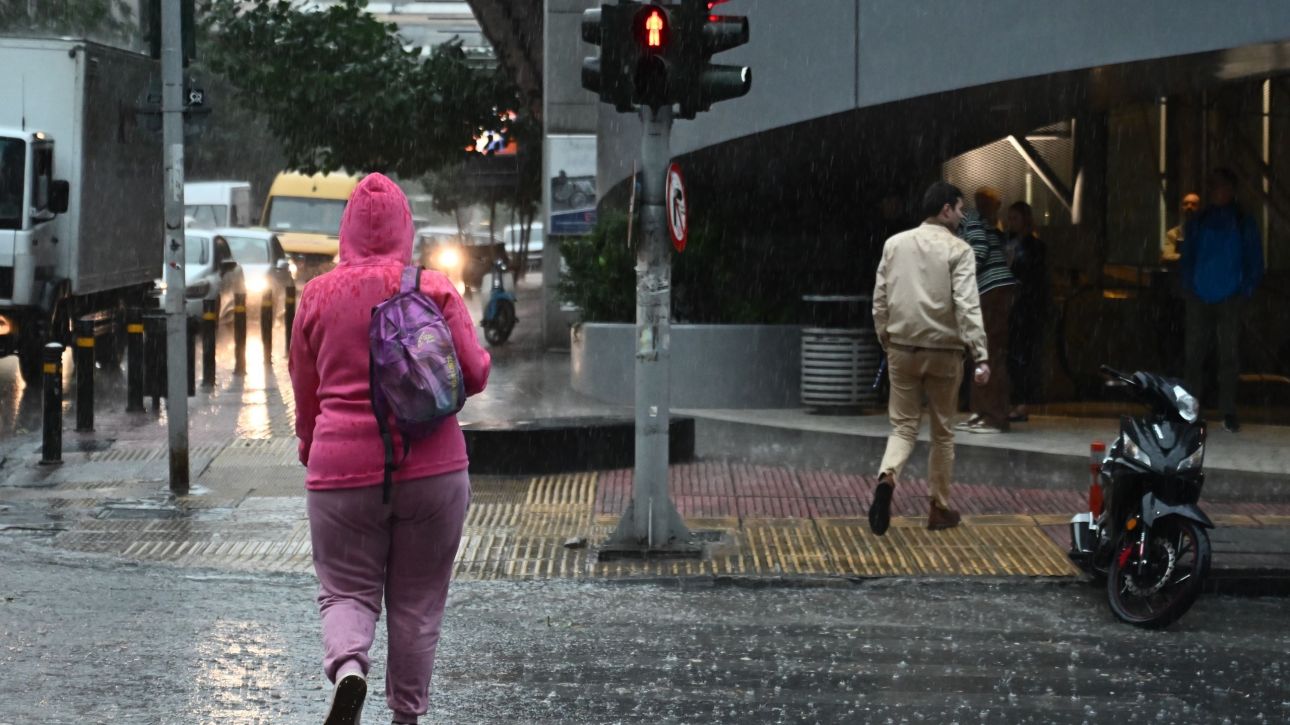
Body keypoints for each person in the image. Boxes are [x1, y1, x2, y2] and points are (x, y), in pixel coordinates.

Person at [290, 173, 491, 725]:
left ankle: (350, 669)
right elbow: (473, 375)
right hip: (433, 470)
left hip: (341, 475)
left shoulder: (316, 295)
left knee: (345, 593)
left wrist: (313, 448)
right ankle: (405, 716)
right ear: (407, 227)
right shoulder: (433, 286)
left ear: (345, 230)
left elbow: (306, 396)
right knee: (417, 603)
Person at [869, 181, 990, 535]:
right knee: (943, 433)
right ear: (946, 210)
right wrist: (980, 354)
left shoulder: (894, 244)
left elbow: (880, 297)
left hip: (902, 348)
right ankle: (938, 508)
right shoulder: (959, 250)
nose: (963, 215)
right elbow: (967, 304)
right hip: (944, 353)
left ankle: (887, 478)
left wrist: (886, 337)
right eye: (960, 208)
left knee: (903, 426)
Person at [1180, 168, 1263, 433]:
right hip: (1202, 294)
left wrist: (1244, 289)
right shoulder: (1202, 220)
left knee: (1227, 355)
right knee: (1195, 354)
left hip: (1228, 295)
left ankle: (1227, 410)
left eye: (1222, 186)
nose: (1218, 191)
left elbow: (1254, 259)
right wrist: (1190, 286)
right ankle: (1191, 410)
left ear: (1231, 190)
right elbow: (1189, 256)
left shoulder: (1241, 221)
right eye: (1215, 186)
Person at [956, 187, 1017, 433]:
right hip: (993, 289)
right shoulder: (981, 221)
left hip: (991, 291)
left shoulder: (969, 218)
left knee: (988, 351)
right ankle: (981, 411)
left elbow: (979, 250)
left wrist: (962, 277)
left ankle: (994, 416)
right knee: (981, 351)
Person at [1005, 201, 1049, 422]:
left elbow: (1036, 280)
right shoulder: (1008, 243)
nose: (1011, 222)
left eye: (1015, 218)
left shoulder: (1035, 247)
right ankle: (1015, 400)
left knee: (1024, 356)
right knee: (1012, 356)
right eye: (1009, 218)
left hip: (1026, 307)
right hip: (1012, 307)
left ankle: (1023, 402)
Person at [1162, 192, 1201, 264]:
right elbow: (1167, 255)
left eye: (1194, 204)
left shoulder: (1207, 232)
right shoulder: (1174, 233)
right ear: (1181, 208)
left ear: (1200, 208)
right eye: (1185, 204)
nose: (1189, 207)